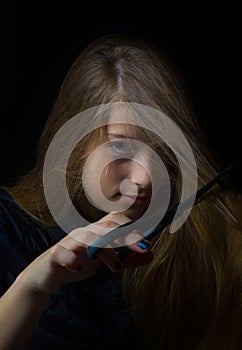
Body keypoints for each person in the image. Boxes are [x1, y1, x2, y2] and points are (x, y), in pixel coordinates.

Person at [0, 33, 241, 350]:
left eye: (162, 150)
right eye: (121, 145)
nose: (143, 177)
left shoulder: (222, 236)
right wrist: (33, 285)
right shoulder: (8, 229)